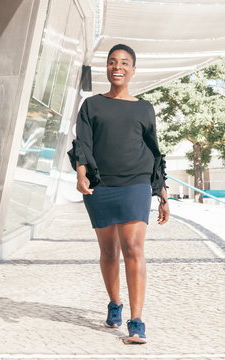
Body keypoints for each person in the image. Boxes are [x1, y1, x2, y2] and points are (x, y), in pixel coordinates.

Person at [68, 44, 170, 344]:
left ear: (133, 70)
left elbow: (153, 151)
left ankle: (136, 321)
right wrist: (81, 173)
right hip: (101, 185)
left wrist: (162, 193)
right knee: (109, 250)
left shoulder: (144, 108)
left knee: (133, 247)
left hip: (136, 183)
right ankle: (115, 303)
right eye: (113, 62)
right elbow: (83, 144)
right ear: (107, 68)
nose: (118, 67)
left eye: (125, 63)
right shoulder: (92, 105)